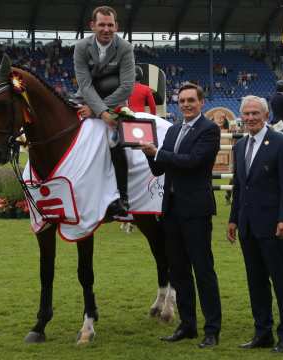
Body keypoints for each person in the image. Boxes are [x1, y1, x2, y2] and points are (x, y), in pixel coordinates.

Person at [141, 83, 222, 349]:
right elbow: (160, 168)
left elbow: (193, 162)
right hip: (172, 209)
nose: (186, 104)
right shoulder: (174, 129)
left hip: (196, 210)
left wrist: (160, 153)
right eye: (182, 100)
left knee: (203, 270)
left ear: (201, 102)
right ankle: (187, 325)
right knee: (178, 271)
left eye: (191, 100)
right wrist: (148, 153)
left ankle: (212, 329)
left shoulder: (209, 130)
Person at [227, 96, 283, 353]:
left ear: (265, 115)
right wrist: (233, 219)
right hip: (247, 226)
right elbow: (239, 187)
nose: (250, 118)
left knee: (280, 281)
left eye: (255, 113)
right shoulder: (240, 145)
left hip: (274, 226)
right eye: (246, 114)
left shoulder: (282, 143)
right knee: (256, 282)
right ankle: (262, 332)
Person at [73, 5, 135, 216]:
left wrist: (103, 111)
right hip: (87, 99)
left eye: (110, 25)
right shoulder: (81, 47)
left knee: (116, 143)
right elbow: (85, 84)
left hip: (115, 101)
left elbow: (127, 86)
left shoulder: (125, 47)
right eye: (102, 25)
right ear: (93, 26)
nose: (106, 29)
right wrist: (99, 112)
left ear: (116, 26)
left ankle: (123, 198)